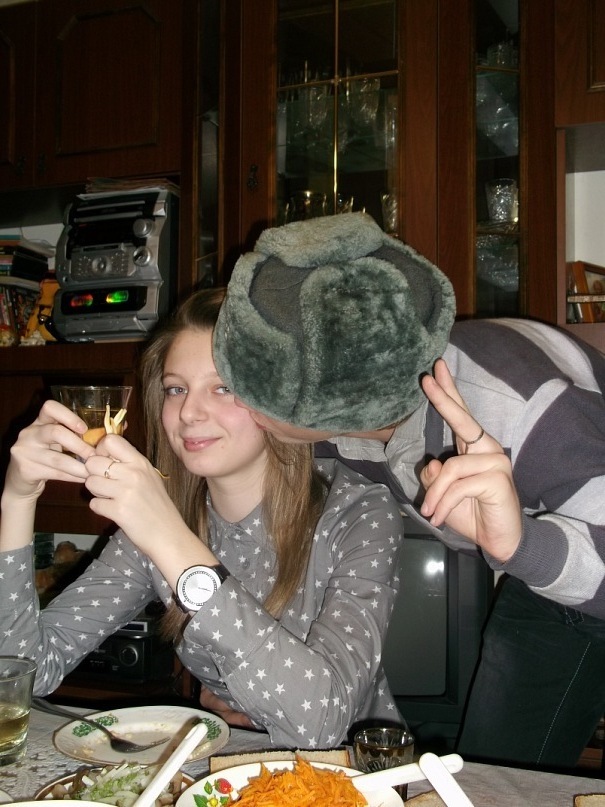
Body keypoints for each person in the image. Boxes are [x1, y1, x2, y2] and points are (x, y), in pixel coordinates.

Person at [212, 212, 605, 769]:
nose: (232, 407)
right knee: (493, 777)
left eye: (238, 390)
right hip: (544, 585)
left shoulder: (516, 406)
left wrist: (521, 545)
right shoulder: (339, 422)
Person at [0, 287, 404, 748]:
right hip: (224, 768)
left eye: (223, 387)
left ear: (278, 399)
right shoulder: (157, 523)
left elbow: (323, 723)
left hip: (354, 773)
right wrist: (17, 500)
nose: (189, 412)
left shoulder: (358, 513)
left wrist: (171, 541)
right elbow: (25, 672)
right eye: (176, 389)